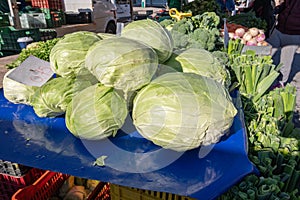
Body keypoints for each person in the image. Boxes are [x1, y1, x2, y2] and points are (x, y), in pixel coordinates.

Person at [267, 0, 300, 87]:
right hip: (279, 29)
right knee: (266, 53)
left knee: (286, 61)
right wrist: (277, 9)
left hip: (294, 34)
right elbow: (285, 6)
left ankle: (281, 83)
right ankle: (262, 75)